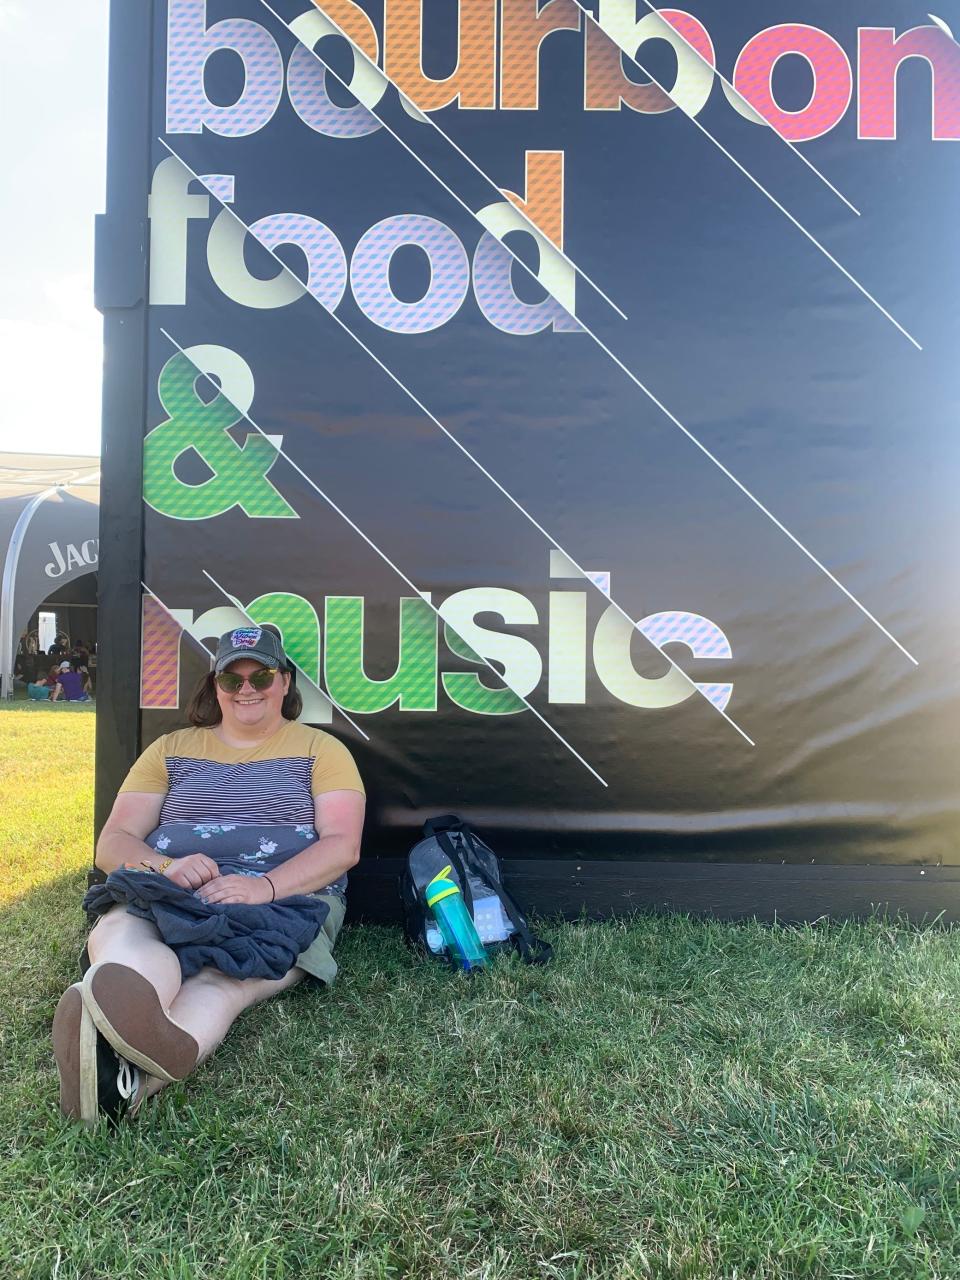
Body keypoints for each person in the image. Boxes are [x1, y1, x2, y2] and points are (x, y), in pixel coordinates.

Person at [51, 626, 365, 1125]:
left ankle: (122, 1082)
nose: (246, 689)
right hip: (169, 888)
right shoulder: (170, 749)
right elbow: (112, 843)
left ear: (284, 682)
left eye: (260, 676)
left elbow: (343, 847)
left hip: (286, 900)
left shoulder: (321, 751)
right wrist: (167, 867)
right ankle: (119, 1025)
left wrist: (263, 887)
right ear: (215, 685)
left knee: (225, 982)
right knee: (129, 935)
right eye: (231, 678)